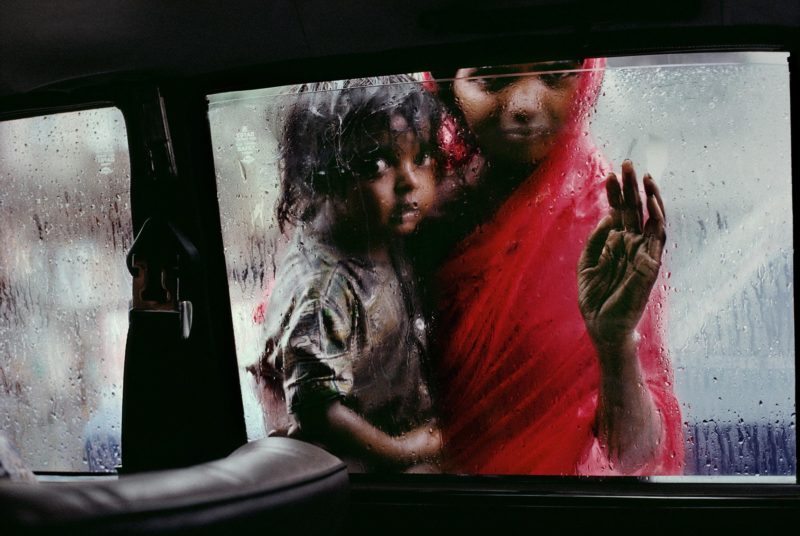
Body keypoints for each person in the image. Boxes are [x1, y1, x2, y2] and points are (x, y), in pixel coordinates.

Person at [416, 59, 684, 475]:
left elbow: (634, 458)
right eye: (491, 78)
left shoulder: (606, 221)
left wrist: (615, 346)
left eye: (556, 75)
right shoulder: (406, 200)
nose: (525, 104)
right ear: (446, 88)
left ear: (587, 80)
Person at [251, 76, 443, 472]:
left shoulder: (375, 228)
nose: (410, 182)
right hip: (357, 472)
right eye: (377, 163)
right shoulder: (323, 289)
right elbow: (316, 410)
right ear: (322, 176)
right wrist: (402, 451)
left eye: (421, 156)